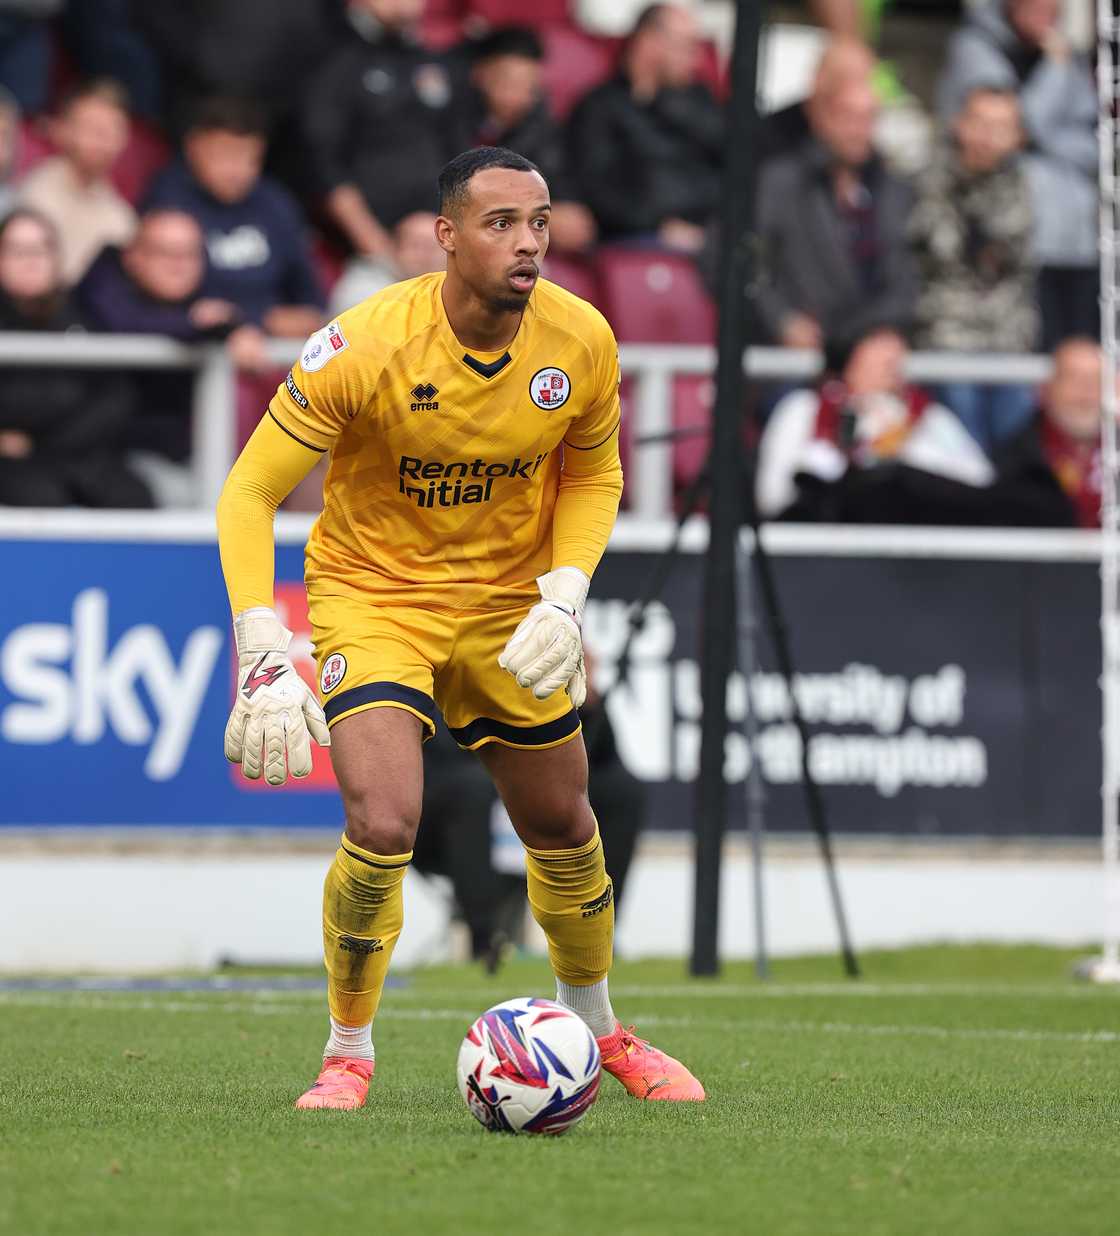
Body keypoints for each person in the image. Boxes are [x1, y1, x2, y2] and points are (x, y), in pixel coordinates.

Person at [215, 146, 704, 1110]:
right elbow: (250, 489)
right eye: (500, 224)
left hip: (507, 606)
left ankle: (598, 1029)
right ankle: (347, 1051)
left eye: (540, 222)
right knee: (383, 820)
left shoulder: (582, 341)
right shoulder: (362, 344)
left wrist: (565, 593)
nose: (528, 243)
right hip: (377, 595)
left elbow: (596, 473)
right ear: (445, 237)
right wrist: (260, 635)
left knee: (564, 822)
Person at [937, 0, 1097, 349]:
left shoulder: (1066, 53)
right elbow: (1016, 126)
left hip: (1078, 241)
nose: (1044, 9)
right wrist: (1055, 69)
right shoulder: (977, 48)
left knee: (1083, 347)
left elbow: (1093, 143)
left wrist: (1042, 137)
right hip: (1024, 240)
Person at [79, 208, 250, 495]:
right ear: (132, 256)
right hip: (92, 455)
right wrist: (198, 324)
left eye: (189, 254)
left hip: (175, 455)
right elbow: (123, 321)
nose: (179, 265)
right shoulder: (103, 277)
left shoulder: (202, 288)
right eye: (164, 252)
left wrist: (238, 326)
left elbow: (235, 311)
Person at [145, 97, 324, 371]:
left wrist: (252, 320)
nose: (237, 170)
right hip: (190, 365)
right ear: (194, 146)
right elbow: (167, 297)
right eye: (226, 154)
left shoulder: (275, 204)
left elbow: (311, 304)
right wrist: (253, 321)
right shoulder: (168, 199)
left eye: (250, 158)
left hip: (274, 363)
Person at [908, 86, 1037, 454]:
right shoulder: (926, 179)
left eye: (1000, 127)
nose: (986, 137)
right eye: (979, 123)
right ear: (958, 124)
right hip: (945, 341)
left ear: (1018, 137)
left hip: (1010, 344)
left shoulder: (1023, 186)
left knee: (1014, 455)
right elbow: (943, 251)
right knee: (962, 454)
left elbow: (1004, 250)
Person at [754, 327, 994, 523]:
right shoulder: (803, 409)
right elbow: (772, 495)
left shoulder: (930, 417)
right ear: (850, 360)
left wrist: (903, 452)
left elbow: (979, 483)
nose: (892, 372)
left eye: (896, 364)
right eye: (880, 363)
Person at [0, 208, 150, 509]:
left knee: (134, 497)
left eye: (41, 249)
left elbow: (114, 399)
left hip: (78, 456)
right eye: (17, 250)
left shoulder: (86, 313)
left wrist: (36, 439)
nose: (31, 261)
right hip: (13, 468)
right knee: (39, 499)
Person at [754, 75, 916, 352]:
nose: (858, 130)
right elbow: (743, 262)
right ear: (822, 118)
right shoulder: (782, 183)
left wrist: (885, 331)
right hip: (797, 358)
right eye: (848, 116)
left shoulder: (895, 189)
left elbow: (906, 275)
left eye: (868, 118)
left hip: (873, 353)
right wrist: (782, 320)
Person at [302, 0, 461, 263]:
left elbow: (459, 155)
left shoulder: (438, 64)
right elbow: (324, 162)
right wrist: (371, 242)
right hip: (370, 249)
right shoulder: (336, 63)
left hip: (440, 241)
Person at [566, 3, 722, 252]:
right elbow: (596, 189)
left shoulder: (700, 103)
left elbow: (736, 166)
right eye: (687, 47)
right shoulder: (600, 107)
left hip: (712, 235)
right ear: (649, 43)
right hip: (642, 242)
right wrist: (655, 227)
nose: (698, 60)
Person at [463, 26, 596, 255]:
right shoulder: (452, 120)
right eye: (507, 80)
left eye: (527, 84)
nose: (516, 93)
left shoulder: (543, 127)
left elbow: (560, 181)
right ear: (480, 74)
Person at [17, 79, 137, 285]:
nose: (103, 139)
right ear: (62, 130)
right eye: (92, 128)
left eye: (113, 129)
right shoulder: (34, 195)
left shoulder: (122, 216)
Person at [991, 339, 1109, 528]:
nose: (1086, 393)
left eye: (1097, 380)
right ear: (1044, 390)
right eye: (1073, 379)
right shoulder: (1016, 461)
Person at [328, 210, 444, 317]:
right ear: (395, 249)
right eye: (416, 246)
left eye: (433, 247)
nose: (425, 256)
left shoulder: (448, 290)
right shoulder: (364, 289)